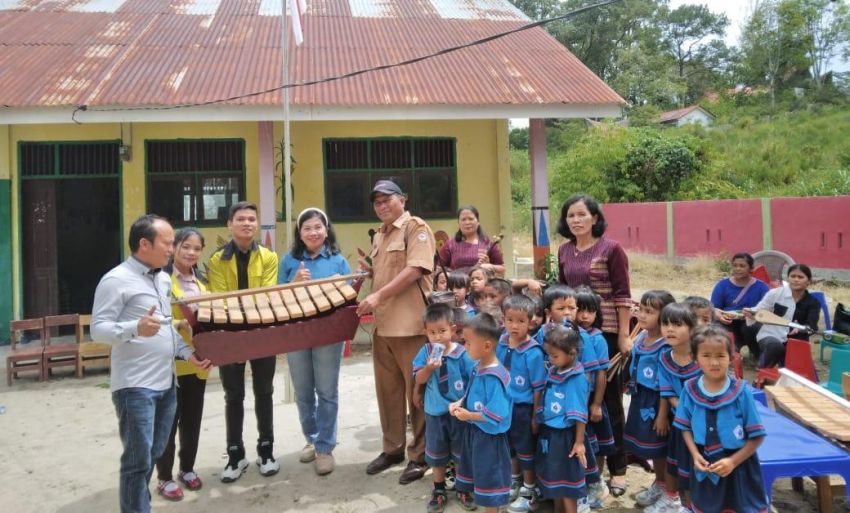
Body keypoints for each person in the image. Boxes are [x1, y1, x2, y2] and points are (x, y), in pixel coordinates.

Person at [91, 215, 211, 513]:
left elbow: (166, 325)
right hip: (135, 386)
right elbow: (98, 329)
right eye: (168, 243)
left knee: (155, 451)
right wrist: (134, 328)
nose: (172, 248)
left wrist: (189, 354)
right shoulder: (115, 280)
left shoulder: (162, 279)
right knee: (138, 461)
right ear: (144, 244)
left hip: (166, 382)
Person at [356, 180, 436, 484]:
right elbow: (387, 271)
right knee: (387, 392)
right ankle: (392, 449)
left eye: (387, 200)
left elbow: (415, 270)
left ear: (402, 199)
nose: (381, 206)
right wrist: (370, 274)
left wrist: (377, 295)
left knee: (417, 393)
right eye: (376, 202)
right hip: (384, 326)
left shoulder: (416, 228)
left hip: (411, 325)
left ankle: (421, 455)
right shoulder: (380, 234)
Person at [556, 194, 632, 496]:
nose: (576, 220)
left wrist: (624, 335)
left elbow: (623, 294)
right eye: (570, 215)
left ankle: (619, 469)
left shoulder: (612, 249)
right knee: (581, 398)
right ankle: (589, 469)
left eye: (581, 215)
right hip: (574, 334)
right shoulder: (564, 250)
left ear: (595, 218)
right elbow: (562, 292)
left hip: (607, 333)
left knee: (609, 401)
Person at [207, 202, 280, 482]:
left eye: (251, 219)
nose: (247, 223)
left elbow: (267, 295)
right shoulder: (217, 260)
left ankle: (266, 451)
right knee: (233, 395)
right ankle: (235, 455)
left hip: (262, 334)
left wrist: (250, 322)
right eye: (241, 219)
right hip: (230, 335)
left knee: (265, 392)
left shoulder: (268, 256)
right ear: (229, 224)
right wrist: (238, 333)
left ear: (257, 224)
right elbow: (220, 301)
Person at [278, 208, 351, 475]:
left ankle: (325, 447)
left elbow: (349, 297)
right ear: (299, 233)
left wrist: (342, 285)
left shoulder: (338, 261)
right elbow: (277, 299)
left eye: (318, 227)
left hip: (328, 334)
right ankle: (311, 438)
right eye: (307, 228)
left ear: (326, 230)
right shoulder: (289, 261)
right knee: (303, 392)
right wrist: (293, 282)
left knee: (327, 391)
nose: (313, 232)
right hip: (296, 333)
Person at [674, 326, 768, 513]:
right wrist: (695, 455)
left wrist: (732, 462)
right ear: (694, 358)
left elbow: (757, 436)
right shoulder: (690, 390)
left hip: (739, 467)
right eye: (706, 355)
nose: (714, 362)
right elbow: (685, 427)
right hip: (704, 464)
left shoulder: (741, 392)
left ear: (731, 358)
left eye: (720, 356)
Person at [155, 227, 209, 501]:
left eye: (197, 248)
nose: (191, 252)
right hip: (170, 363)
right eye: (186, 246)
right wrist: (178, 323)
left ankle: (187, 468)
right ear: (174, 247)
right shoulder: (161, 280)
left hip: (197, 363)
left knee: (192, 420)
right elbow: (158, 318)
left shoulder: (203, 281)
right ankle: (164, 477)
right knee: (168, 422)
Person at [413, 303, 475, 512]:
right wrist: (429, 368)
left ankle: (462, 487)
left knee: (460, 452)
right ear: (425, 332)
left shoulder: (462, 353)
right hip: (435, 413)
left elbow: (472, 379)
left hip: (458, 413)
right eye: (432, 333)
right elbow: (419, 379)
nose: (438, 337)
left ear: (453, 329)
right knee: (437, 454)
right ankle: (438, 489)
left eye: (442, 331)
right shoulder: (425, 352)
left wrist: (467, 404)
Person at [450, 313, 513, 513]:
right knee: (481, 477)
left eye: (468, 343)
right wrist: (460, 402)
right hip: (476, 433)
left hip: (490, 439)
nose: (464, 347)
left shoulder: (494, 376)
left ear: (486, 346)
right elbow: (472, 393)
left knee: (490, 483)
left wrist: (468, 416)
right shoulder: (479, 367)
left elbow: (496, 414)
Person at [624, 290, 676, 509]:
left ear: (665, 316)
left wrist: (662, 415)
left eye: (649, 312)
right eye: (641, 309)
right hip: (641, 398)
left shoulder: (666, 346)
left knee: (661, 447)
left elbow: (665, 385)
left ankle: (671, 495)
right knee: (652, 448)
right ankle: (659, 483)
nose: (642, 315)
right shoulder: (642, 336)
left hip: (657, 403)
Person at [496, 295, 546, 512]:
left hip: (523, 410)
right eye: (510, 320)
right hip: (504, 407)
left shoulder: (533, 352)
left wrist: (535, 416)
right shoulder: (500, 343)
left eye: (520, 321)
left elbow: (538, 389)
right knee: (510, 448)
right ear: (503, 319)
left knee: (526, 450)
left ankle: (529, 491)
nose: (514, 326)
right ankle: (514, 481)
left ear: (531, 322)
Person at [652, 304, 701, 513]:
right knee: (674, 461)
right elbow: (667, 390)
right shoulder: (664, 357)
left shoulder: (703, 357)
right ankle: (672, 500)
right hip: (680, 421)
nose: (670, 329)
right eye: (665, 324)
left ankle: (693, 505)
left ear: (692, 328)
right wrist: (668, 414)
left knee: (696, 465)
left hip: (702, 424)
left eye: (677, 324)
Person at [535, 325, 590, 513]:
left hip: (566, 437)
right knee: (555, 480)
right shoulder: (555, 370)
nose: (551, 359)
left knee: (567, 483)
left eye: (555, 356)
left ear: (572, 353)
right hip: (550, 433)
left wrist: (579, 442)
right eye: (549, 355)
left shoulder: (576, 378)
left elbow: (580, 413)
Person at [574, 286, 614, 509]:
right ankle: (584, 482)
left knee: (596, 443)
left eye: (590, 311)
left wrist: (597, 404)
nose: (584, 316)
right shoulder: (568, 335)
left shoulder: (597, 338)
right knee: (582, 442)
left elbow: (601, 374)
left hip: (591, 400)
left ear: (597, 313)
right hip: (575, 401)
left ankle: (597, 482)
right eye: (580, 310)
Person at [743, 263, 820, 368]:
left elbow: (812, 327)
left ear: (808, 281)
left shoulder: (813, 303)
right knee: (775, 347)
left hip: (797, 339)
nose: (796, 280)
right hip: (771, 335)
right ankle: (762, 373)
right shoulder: (775, 293)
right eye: (793, 276)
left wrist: (800, 329)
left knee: (793, 371)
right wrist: (751, 312)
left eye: (800, 277)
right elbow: (760, 310)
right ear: (788, 278)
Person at [710, 253, 770, 357]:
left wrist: (753, 315)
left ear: (751, 268)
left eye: (742, 266)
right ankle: (729, 356)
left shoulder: (762, 287)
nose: (738, 269)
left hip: (751, 323)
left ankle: (757, 356)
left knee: (754, 327)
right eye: (735, 265)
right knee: (715, 328)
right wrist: (718, 315)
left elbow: (768, 310)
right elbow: (714, 308)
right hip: (727, 322)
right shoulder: (722, 285)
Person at [438, 206, 505, 276]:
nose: (467, 222)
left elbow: (502, 269)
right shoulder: (450, 244)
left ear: (478, 222)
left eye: (471, 219)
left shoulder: (487, 244)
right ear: (458, 223)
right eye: (463, 219)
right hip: (457, 282)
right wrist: (450, 275)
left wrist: (489, 266)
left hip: (481, 282)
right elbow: (439, 268)